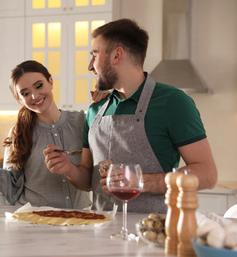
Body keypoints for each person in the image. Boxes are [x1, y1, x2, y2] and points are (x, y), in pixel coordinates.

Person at [44, 19, 218, 213]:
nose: (90, 66)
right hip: (100, 231)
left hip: (154, 232)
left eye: (94, 55)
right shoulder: (95, 109)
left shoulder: (173, 102)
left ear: (117, 55)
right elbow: (89, 181)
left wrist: (143, 181)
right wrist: (69, 169)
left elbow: (207, 175)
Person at [0, 60, 108, 209]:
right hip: (35, 222)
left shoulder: (82, 121)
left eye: (39, 85)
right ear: (20, 100)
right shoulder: (18, 133)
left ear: (51, 82)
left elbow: (103, 164)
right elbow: (10, 193)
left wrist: (111, 97)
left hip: (79, 219)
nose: (34, 96)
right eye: (25, 93)